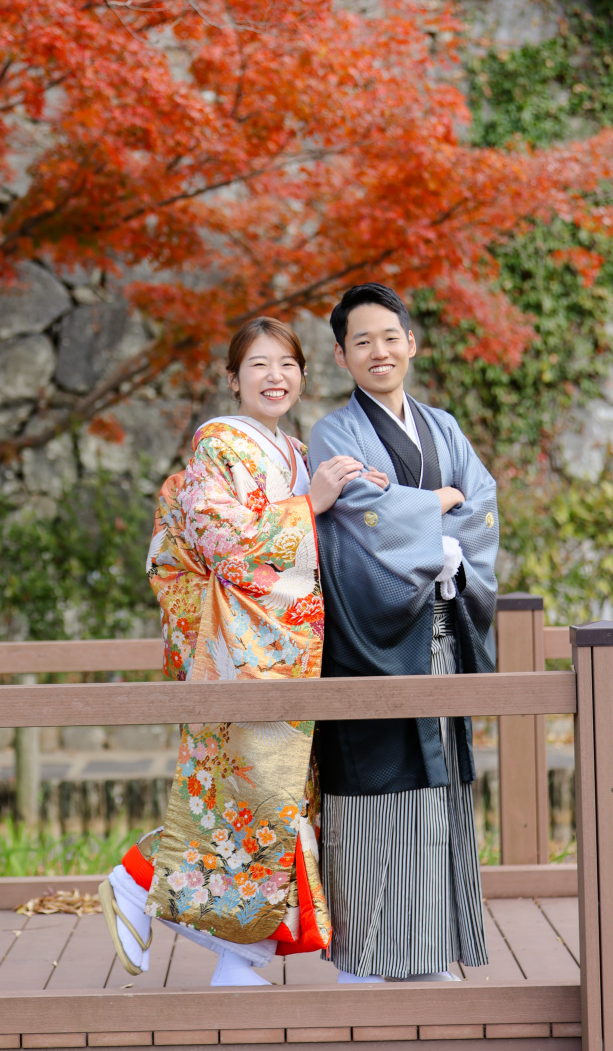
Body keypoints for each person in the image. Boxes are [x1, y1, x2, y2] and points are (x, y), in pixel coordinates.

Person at [99, 315, 388, 987]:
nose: (275, 377)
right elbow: (223, 545)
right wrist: (306, 507)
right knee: (254, 804)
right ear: (233, 380)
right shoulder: (219, 445)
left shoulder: (294, 452)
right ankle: (143, 883)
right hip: (243, 650)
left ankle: (239, 953)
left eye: (287, 365)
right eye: (258, 365)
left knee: (275, 805)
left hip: (288, 647)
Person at [307, 282, 498, 985]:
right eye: (362, 341)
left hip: (440, 627)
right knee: (377, 786)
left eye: (390, 337)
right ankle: (368, 954)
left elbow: (480, 503)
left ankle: (429, 950)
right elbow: (359, 513)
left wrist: (435, 525)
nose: (379, 351)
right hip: (370, 636)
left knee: (436, 786)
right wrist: (437, 511)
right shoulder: (334, 432)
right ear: (341, 355)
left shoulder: (443, 426)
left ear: (410, 344)